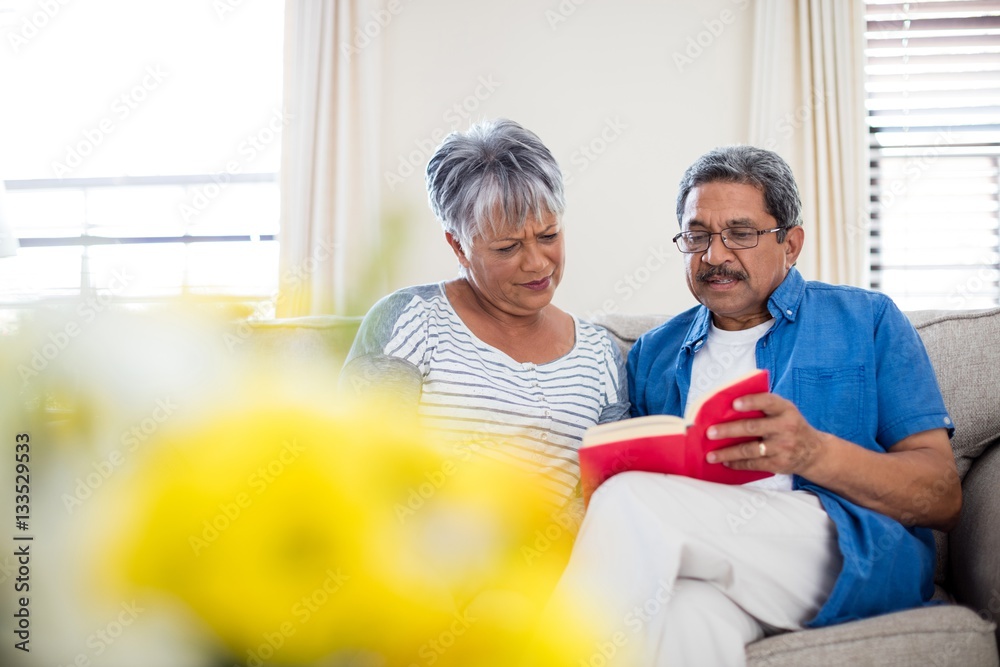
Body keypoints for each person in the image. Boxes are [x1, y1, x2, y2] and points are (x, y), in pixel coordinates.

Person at [545, 145, 961, 665]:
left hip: (850, 555)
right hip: (716, 561)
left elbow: (943, 498)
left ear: (791, 243)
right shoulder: (656, 353)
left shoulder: (866, 319)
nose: (715, 255)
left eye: (741, 234)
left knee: (632, 500)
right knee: (686, 617)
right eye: (697, 235)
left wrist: (812, 453)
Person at [340, 118, 629, 512]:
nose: (536, 263)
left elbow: (610, 500)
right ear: (458, 246)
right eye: (507, 247)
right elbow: (363, 475)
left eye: (549, 236)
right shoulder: (410, 323)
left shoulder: (600, 353)